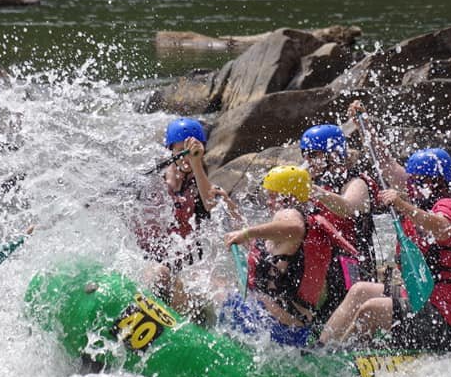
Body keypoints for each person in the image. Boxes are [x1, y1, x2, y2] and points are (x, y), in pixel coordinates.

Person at [318, 144, 451, 353]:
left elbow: (441, 226)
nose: (409, 186)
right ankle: (322, 349)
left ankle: (354, 358)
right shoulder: (423, 198)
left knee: (370, 310)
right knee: (360, 290)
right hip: (425, 296)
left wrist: (401, 204)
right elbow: (387, 165)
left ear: (433, 181)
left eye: (415, 181)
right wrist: (365, 126)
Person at [222, 165, 359, 347]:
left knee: (217, 291)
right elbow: (258, 248)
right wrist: (229, 206)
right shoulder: (304, 222)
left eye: (272, 195)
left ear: (287, 196)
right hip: (293, 331)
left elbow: (294, 227)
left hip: (272, 326)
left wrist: (247, 232)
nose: (269, 202)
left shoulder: (290, 214)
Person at [136, 117, 219, 313]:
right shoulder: (152, 181)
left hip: (186, 264)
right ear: (171, 150)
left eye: (190, 151)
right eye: (181, 151)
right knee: (161, 274)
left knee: (210, 292)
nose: (185, 158)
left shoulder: (201, 183)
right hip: (149, 260)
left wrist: (196, 163)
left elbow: (211, 205)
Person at [301, 123, 379, 319]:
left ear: (333, 155)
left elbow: (348, 207)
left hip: (350, 264)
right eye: (305, 154)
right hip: (321, 262)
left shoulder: (355, 182)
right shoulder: (317, 182)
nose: (307, 160)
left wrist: (315, 192)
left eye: (313, 155)